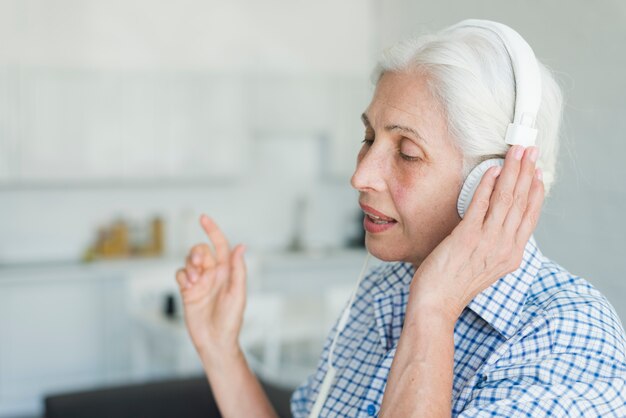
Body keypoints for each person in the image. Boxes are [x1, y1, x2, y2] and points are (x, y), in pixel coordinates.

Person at [175, 19, 626, 417]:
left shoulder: (566, 336)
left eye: (407, 153)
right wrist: (221, 350)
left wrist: (432, 312)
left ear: (493, 181)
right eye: (369, 137)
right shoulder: (382, 289)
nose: (360, 175)